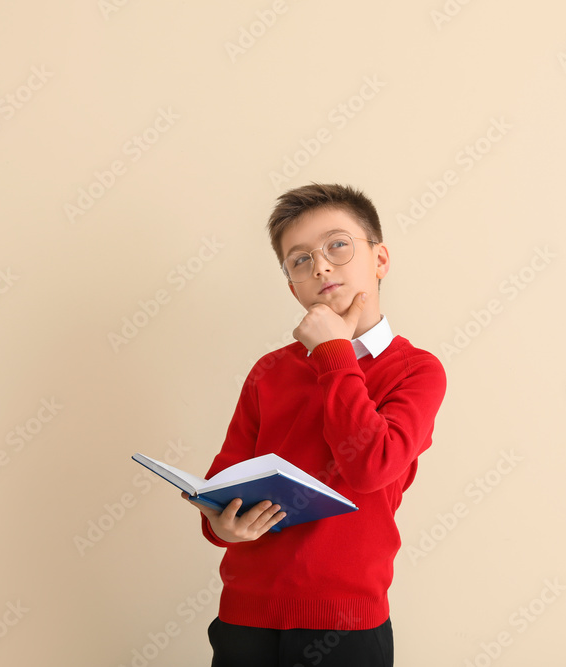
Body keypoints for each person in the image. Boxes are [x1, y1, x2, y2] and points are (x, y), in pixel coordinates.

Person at [186, 183, 447, 667]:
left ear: (381, 260)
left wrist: (333, 352)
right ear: (292, 286)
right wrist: (220, 523)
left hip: (345, 624)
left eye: (338, 246)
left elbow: (370, 467)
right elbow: (225, 481)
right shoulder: (270, 371)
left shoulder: (417, 370)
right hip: (245, 617)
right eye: (300, 260)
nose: (321, 266)